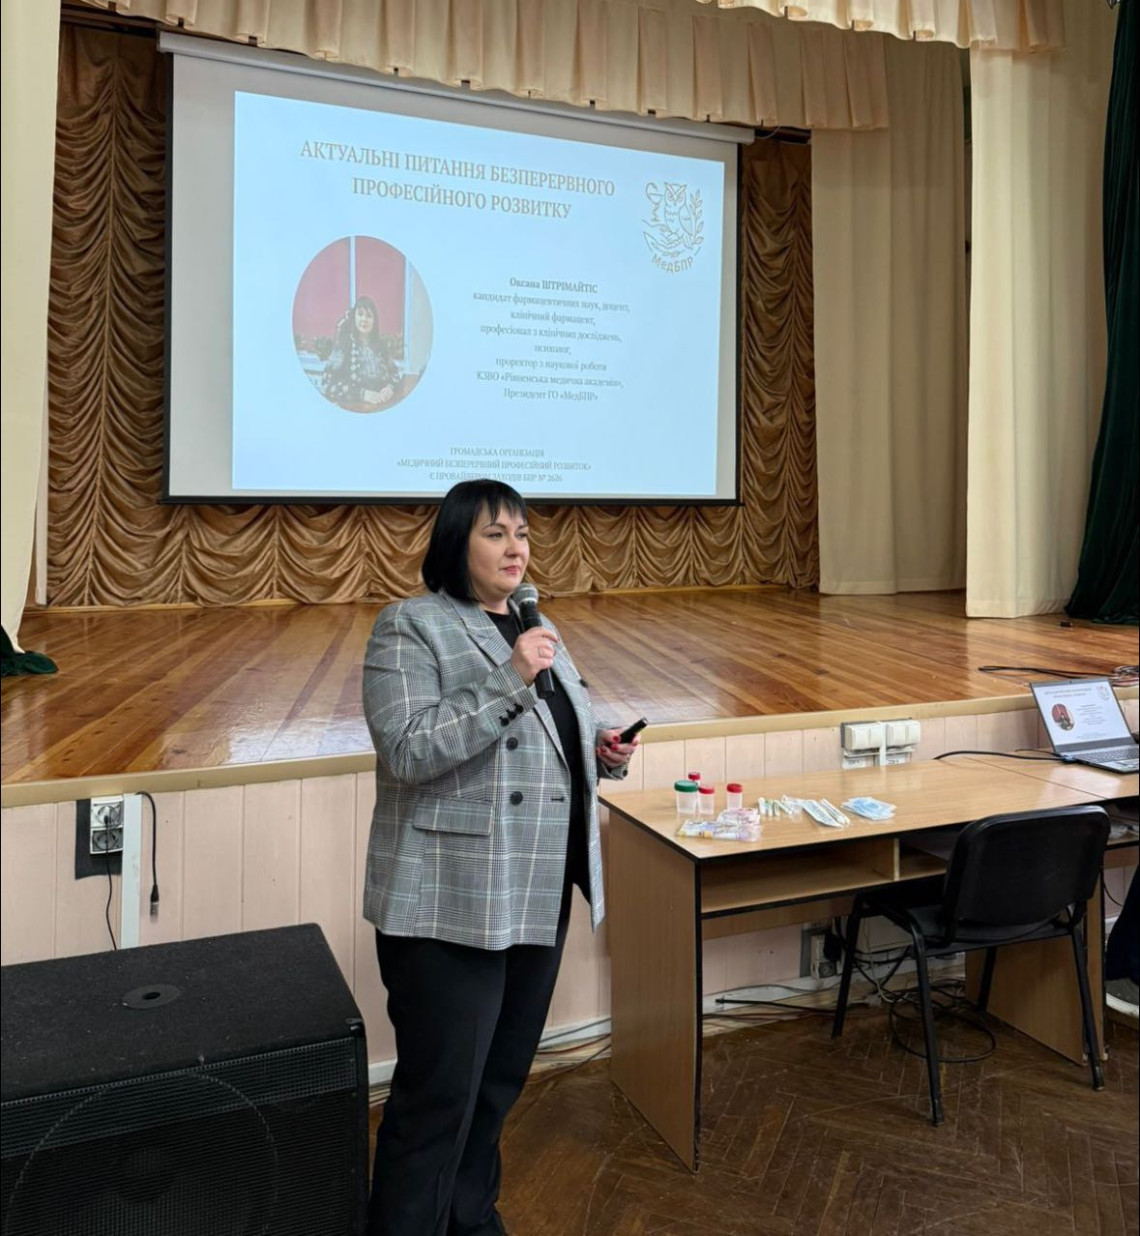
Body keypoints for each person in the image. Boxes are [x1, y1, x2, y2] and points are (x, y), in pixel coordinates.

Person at [361, 479, 638, 1236]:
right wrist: (512, 675)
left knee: (496, 1087)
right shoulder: (410, 626)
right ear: (457, 542)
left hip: (534, 892)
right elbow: (409, 749)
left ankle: (470, 1217)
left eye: (521, 532)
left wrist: (600, 749)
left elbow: (549, 733)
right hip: (450, 903)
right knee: (438, 1098)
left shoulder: (534, 624)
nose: (515, 548)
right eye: (495, 533)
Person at [321, 295, 401, 410]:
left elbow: (395, 374)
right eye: (360, 314)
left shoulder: (381, 346)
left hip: (381, 407)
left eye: (369, 316)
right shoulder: (344, 345)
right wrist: (361, 394)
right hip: (354, 409)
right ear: (354, 318)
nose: (364, 319)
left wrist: (390, 388)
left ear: (374, 321)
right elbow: (327, 384)